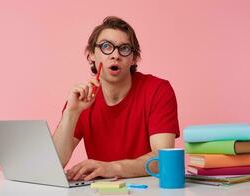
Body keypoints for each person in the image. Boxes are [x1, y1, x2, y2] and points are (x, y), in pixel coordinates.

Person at [53, 16, 180, 181]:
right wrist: (71, 112)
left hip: (150, 190)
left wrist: (112, 167)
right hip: (101, 192)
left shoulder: (158, 90)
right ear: (91, 54)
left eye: (124, 49)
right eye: (106, 46)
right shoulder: (82, 99)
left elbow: (162, 159)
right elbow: (54, 164)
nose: (115, 55)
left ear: (133, 58)